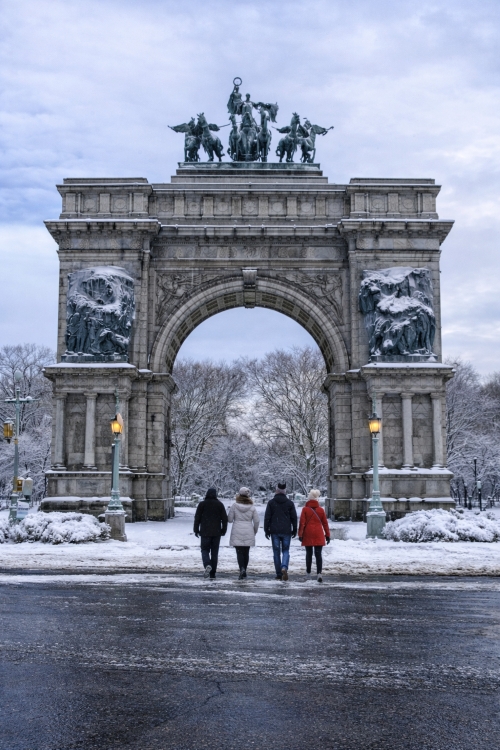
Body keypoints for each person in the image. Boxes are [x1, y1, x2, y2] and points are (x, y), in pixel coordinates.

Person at [264, 482, 297, 581]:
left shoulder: (271, 503)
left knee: (276, 552)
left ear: (277, 491)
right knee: (286, 550)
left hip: (275, 530)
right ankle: (284, 567)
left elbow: (267, 517)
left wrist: (266, 529)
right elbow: (294, 518)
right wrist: (294, 529)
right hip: (286, 530)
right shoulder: (290, 503)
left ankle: (279, 574)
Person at [193, 488, 228, 580]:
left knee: (204, 550)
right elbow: (224, 519)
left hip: (205, 531)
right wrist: (223, 530)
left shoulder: (202, 504)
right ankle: (213, 573)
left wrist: (196, 529)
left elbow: (197, 518)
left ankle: (207, 564)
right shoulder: (219, 505)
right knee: (214, 553)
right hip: (216, 532)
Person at [227, 487, 260, 580]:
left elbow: (229, 519)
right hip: (248, 529)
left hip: (237, 530)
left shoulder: (234, 506)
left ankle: (241, 568)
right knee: (246, 552)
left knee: (239, 552)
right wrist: (254, 531)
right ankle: (244, 569)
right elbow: (257, 521)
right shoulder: (252, 507)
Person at [298, 489, 330, 582]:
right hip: (319, 534)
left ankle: (308, 574)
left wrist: (300, 534)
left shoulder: (305, 509)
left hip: (308, 533)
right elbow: (325, 523)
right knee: (318, 554)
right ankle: (319, 573)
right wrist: (327, 535)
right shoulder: (321, 510)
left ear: (309, 499)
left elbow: (302, 523)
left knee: (309, 554)